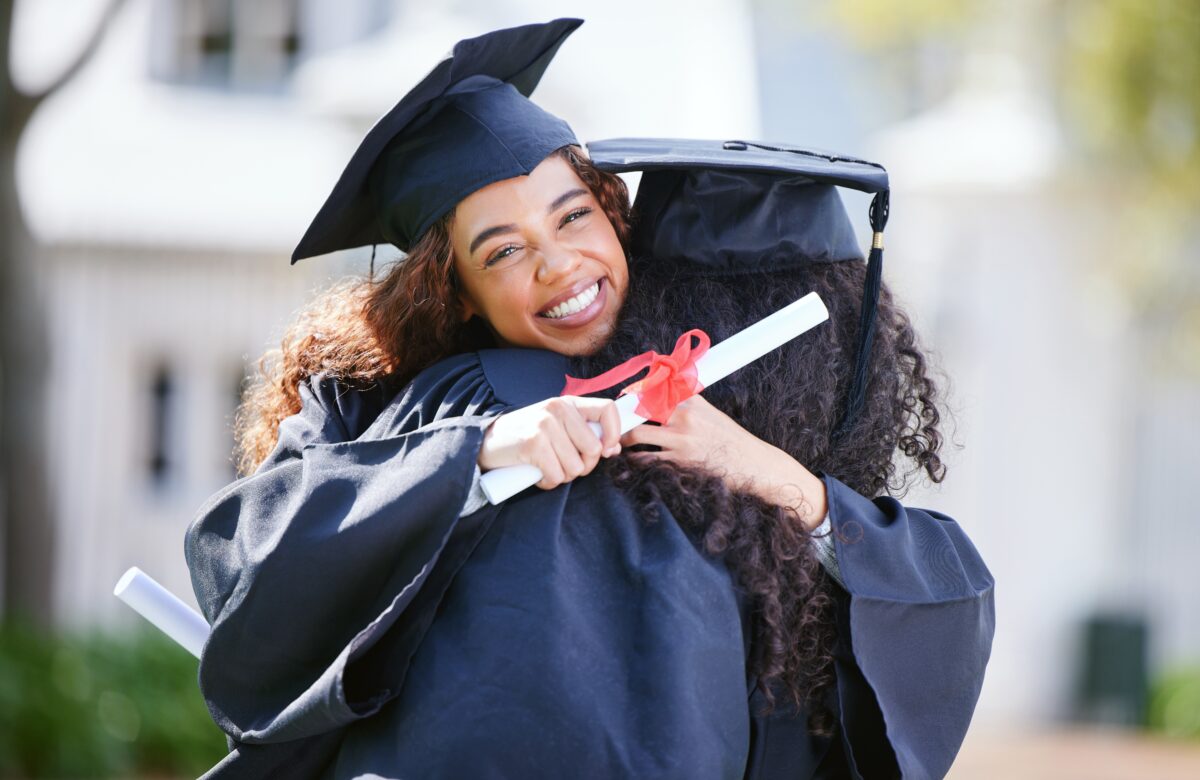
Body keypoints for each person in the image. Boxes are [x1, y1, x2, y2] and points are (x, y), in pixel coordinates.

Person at [185, 18, 994, 780]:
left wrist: (764, 470)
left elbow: (942, 586)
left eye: (573, 216)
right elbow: (247, 550)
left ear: (614, 215)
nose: (558, 265)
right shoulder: (402, 407)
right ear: (456, 291)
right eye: (504, 251)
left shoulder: (692, 411)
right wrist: (478, 452)